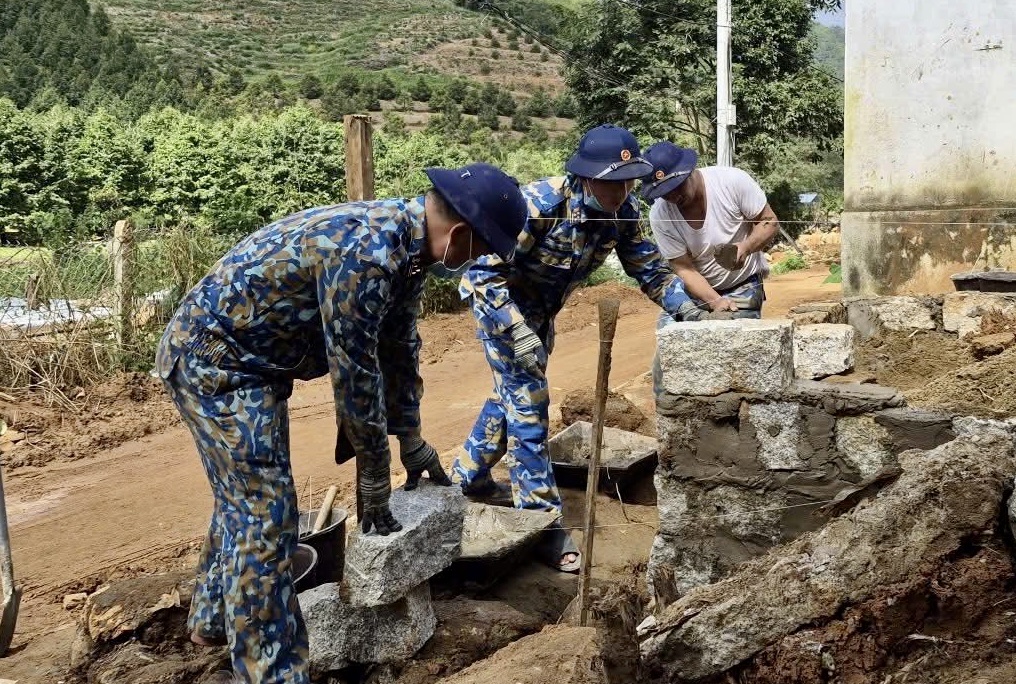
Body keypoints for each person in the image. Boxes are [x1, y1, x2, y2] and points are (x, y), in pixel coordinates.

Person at [155, 164, 527, 684]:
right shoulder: (368, 254)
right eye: (482, 250)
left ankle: (214, 620)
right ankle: (270, 673)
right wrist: (373, 467)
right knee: (265, 513)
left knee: (244, 495)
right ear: (461, 234)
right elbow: (355, 372)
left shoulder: (407, 249)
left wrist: (411, 437)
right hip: (216, 363)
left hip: (252, 363)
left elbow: (399, 345)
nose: (477, 261)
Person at [450, 125, 704, 572]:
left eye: (628, 181)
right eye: (613, 183)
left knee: (510, 397)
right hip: (502, 309)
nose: (621, 192)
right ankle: (541, 524)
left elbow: (648, 269)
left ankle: (468, 477)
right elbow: (481, 275)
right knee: (529, 406)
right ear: (587, 177)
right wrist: (515, 329)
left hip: (542, 314)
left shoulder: (623, 212)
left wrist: (689, 308)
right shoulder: (538, 206)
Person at [640, 141, 780, 395]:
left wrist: (745, 247)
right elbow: (683, 267)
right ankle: (670, 415)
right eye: (664, 193)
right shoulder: (660, 214)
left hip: (743, 284)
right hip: (697, 292)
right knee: (669, 361)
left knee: (738, 359)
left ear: (689, 171)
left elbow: (769, 221)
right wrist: (714, 301)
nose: (673, 197)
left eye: (676, 187)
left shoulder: (731, 182)